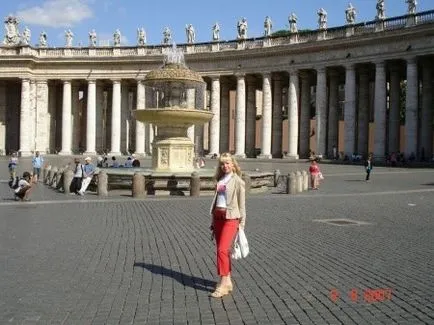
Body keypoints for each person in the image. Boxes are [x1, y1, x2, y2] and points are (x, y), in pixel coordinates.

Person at [209, 153, 246, 298]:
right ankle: (228, 280)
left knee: (222, 250)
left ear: (233, 164)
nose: (225, 166)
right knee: (222, 250)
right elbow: (218, 199)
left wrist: (241, 224)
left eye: (228, 163)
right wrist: (212, 219)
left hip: (231, 217)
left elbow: (242, 204)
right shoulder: (220, 179)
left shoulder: (237, 181)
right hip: (218, 217)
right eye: (223, 164)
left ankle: (223, 283)